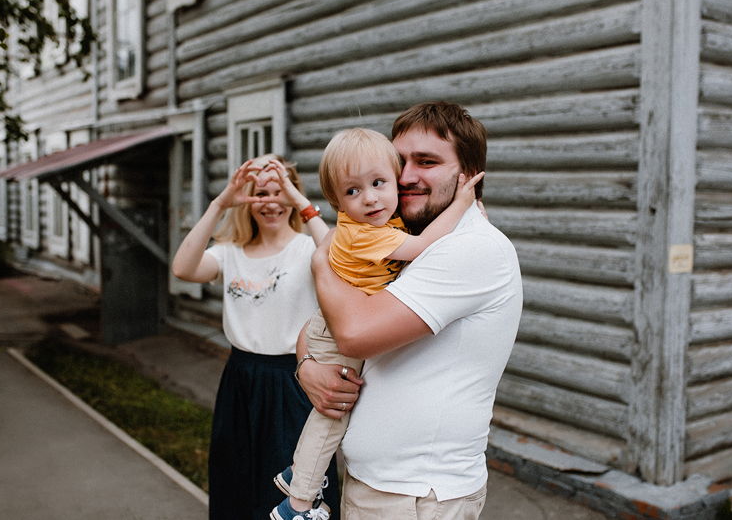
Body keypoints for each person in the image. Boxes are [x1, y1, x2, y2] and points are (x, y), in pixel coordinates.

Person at [297, 102, 523, 520]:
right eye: (400, 162)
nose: (405, 177)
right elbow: (328, 320)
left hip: (418, 497)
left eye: (427, 162)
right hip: (379, 487)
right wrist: (308, 365)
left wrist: (319, 263)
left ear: (469, 174)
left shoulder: (471, 248)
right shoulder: (396, 236)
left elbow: (354, 334)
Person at [267, 128, 483, 520]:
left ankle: (298, 475)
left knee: (332, 412)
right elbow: (420, 247)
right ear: (338, 201)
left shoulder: (375, 221)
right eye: (353, 191)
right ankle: (297, 502)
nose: (369, 198)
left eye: (380, 183)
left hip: (329, 324)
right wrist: (462, 205)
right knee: (332, 417)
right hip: (335, 330)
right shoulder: (364, 233)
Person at [171, 154, 340, 520]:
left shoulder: (307, 248)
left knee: (293, 489)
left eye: (280, 192)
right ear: (247, 200)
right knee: (236, 483)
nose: (270, 202)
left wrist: (299, 200)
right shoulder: (229, 253)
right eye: (261, 193)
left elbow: (338, 258)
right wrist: (220, 203)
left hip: (293, 382)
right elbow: (182, 268)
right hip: (240, 379)